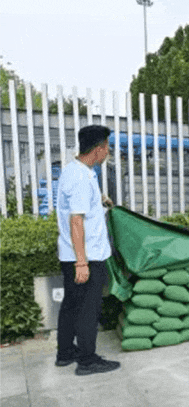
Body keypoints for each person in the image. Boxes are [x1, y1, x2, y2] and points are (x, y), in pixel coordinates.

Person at [55, 125, 121, 376]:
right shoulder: (82, 178)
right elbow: (76, 221)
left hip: (70, 254)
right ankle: (87, 360)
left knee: (71, 305)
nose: (108, 152)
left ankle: (65, 353)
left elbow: (79, 201)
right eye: (107, 147)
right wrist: (82, 263)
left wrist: (100, 199)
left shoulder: (75, 170)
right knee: (88, 309)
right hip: (87, 256)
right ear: (98, 149)